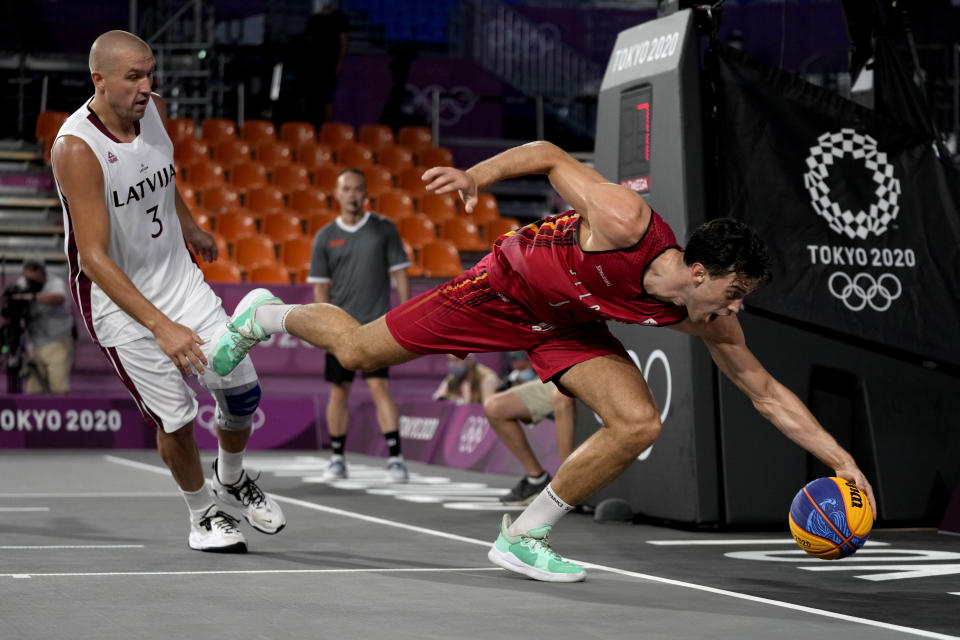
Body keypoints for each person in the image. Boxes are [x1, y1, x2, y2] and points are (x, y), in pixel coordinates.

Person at [211, 140, 877, 582]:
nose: (735, 308)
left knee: (638, 422)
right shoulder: (625, 222)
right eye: (733, 293)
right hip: (501, 290)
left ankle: (524, 535)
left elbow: (764, 391)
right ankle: (263, 316)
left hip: (566, 322)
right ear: (699, 272)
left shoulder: (707, 317)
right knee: (356, 349)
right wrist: (476, 175)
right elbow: (547, 153)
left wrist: (844, 463)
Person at [50, 30, 285, 554]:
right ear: (99, 80)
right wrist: (162, 327)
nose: (146, 85)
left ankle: (232, 476)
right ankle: (203, 515)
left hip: (179, 280)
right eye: (132, 76)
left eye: (149, 72)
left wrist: (190, 225)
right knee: (177, 418)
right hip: (120, 303)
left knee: (242, 392)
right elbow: (94, 258)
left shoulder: (150, 109)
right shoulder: (76, 149)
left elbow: (160, 175)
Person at [308, 168, 411, 482]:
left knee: (380, 388)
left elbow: (400, 273)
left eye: (358, 190)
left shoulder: (384, 230)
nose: (353, 196)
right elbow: (320, 286)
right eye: (347, 189)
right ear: (337, 194)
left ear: (366, 195)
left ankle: (395, 459)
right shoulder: (325, 236)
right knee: (338, 392)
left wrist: (404, 312)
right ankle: (337, 458)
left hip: (376, 326)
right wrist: (323, 326)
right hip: (339, 330)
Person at [484, 375, 576, 506]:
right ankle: (537, 480)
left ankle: (569, 482)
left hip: (590, 370)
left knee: (561, 396)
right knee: (494, 407)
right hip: (558, 374)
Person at [9, 260, 76, 393]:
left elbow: (58, 298)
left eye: (33, 278)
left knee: (58, 388)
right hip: (35, 344)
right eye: (27, 277)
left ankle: (60, 412)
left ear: (41, 272)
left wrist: (31, 297)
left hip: (58, 341)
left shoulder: (54, 282)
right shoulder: (22, 283)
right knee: (33, 389)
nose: (29, 282)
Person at [431, 354, 500, 404]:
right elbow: (437, 398)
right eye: (450, 360)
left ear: (470, 360)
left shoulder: (487, 378)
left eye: (457, 360)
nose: (453, 364)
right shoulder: (452, 379)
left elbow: (488, 409)